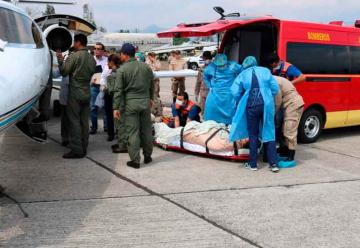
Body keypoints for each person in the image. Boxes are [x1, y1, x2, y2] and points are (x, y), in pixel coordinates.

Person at [230, 56, 280, 172]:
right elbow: (275, 89)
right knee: (269, 132)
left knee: (253, 134)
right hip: (266, 105)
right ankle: (273, 164)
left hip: (251, 106)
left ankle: (253, 164)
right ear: (255, 62)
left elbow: (234, 91)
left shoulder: (242, 75)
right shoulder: (266, 71)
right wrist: (267, 94)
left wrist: (241, 98)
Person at [113, 43, 154, 169]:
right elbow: (151, 84)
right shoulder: (146, 67)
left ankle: (135, 160)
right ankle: (147, 156)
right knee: (146, 130)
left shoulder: (122, 70)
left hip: (131, 104)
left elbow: (118, 90)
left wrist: (115, 107)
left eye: (121, 54)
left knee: (133, 132)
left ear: (125, 55)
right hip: (145, 102)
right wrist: (151, 98)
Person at [56, 34, 96, 159]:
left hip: (75, 92)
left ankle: (77, 149)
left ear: (78, 42)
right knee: (84, 122)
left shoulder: (74, 56)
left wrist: (60, 60)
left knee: (74, 121)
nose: (74, 44)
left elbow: (64, 72)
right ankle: (84, 146)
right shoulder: (91, 58)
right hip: (87, 92)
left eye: (74, 42)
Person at [203, 54, 242, 124]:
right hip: (215, 94)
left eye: (222, 65)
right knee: (212, 113)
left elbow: (242, 72)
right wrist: (210, 86)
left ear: (226, 62)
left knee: (231, 112)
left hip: (229, 94)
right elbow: (205, 77)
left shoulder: (233, 66)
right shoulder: (211, 67)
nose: (221, 67)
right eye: (219, 65)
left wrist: (237, 84)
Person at [274, 76, 304, 167]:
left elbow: (277, 101)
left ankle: (291, 158)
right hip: (289, 104)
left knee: (289, 130)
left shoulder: (274, 82)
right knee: (284, 130)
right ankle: (284, 153)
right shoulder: (274, 79)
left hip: (293, 105)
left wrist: (272, 114)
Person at [90, 42, 108, 134]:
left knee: (105, 107)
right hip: (93, 86)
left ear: (103, 51)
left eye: (99, 49)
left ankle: (106, 126)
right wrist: (90, 80)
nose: (96, 50)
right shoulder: (90, 60)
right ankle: (94, 127)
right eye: (95, 48)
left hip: (103, 87)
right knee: (93, 107)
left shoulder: (107, 60)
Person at [102, 54, 121, 142]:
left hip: (117, 95)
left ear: (112, 62)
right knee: (109, 114)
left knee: (118, 114)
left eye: (108, 62)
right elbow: (103, 79)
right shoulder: (106, 69)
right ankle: (111, 133)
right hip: (109, 94)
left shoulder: (121, 70)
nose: (107, 64)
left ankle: (119, 132)